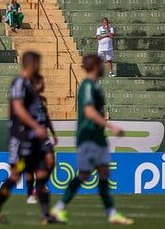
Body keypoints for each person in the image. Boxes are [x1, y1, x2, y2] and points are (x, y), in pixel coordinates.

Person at [51, 55, 133, 225]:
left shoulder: (94, 86)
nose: (103, 66)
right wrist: (111, 127)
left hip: (98, 137)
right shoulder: (87, 86)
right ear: (95, 66)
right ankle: (59, 208)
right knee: (84, 174)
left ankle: (111, 213)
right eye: (101, 64)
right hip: (88, 136)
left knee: (103, 173)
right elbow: (89, 112)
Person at [0, 51, 57, 224]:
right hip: (21, 140)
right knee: (15, 175)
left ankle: (46, 215)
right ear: (32, 64)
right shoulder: (19, 83)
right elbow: (18, 109)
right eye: (38, 63)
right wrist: (35, 127)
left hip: (33, 140)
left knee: (41, 174)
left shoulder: (29, 85)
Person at [25, 74, 58, 205]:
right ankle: (30, 194)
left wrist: (53, 133)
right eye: (41, 83)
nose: (43, 85)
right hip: (31, 137)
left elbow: (46, 117)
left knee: (51, 161)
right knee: (30, 168)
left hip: (43, 137)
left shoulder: (41, 100)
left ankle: (40, 186)